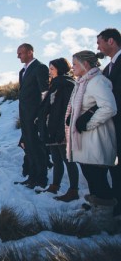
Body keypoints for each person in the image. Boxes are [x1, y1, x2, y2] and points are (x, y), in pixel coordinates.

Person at [67, 50, 117, 208]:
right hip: (85, 140)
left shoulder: (97, 81)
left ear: (85, 64)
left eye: (74, 64)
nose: (72, 67)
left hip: (96, 138)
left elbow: (109, 107)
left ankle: (105, 219)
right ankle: (96, 209)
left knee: (98, 179)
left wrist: (88, 124)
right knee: (91, 177)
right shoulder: (82, 82)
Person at [35, 57, 79, 201]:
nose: (50, 72)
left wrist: (62, 129)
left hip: (61, 129)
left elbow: (66, 109)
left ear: (60, 69)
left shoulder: (66, 84)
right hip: (51, 128)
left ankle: (73, 190)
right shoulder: (55, 84)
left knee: (68, 160)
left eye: (52, 69)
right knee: (56, 159)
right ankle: (55, 185)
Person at [17, 44, 50, 189]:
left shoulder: (40, 67)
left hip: (35, 116)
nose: (18, 56)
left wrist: (40, 115)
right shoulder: (22, 71)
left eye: (21, 53)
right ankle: (32, 177)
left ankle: (41, 179)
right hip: (24, 116)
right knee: (29, 147)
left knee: (37, 147)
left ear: (30, 52)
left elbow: (45, 93)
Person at [97, 28, 121, 216]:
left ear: (110, 41)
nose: (98, 46)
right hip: (113, 123)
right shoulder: (107, 69)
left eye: (99, 42)